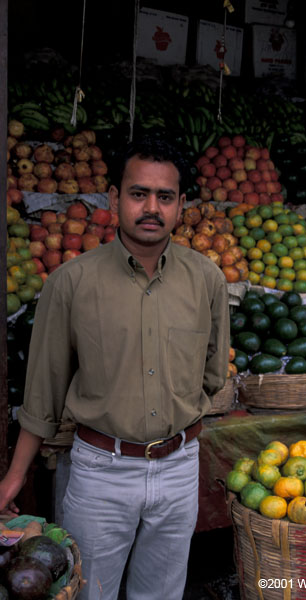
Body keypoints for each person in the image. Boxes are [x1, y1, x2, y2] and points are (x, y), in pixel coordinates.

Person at [0, 135, 230, 600]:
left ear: (182, 204)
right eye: (138, 193)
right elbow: (42, 392)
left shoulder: (207, 279)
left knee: (162, 594)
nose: (151, 207)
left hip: (179, 467)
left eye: (165, 197)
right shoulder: (72, 282)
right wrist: (15, 476)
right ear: (114, 198)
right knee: (91, 593)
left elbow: (211, 374)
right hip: (100, 472)